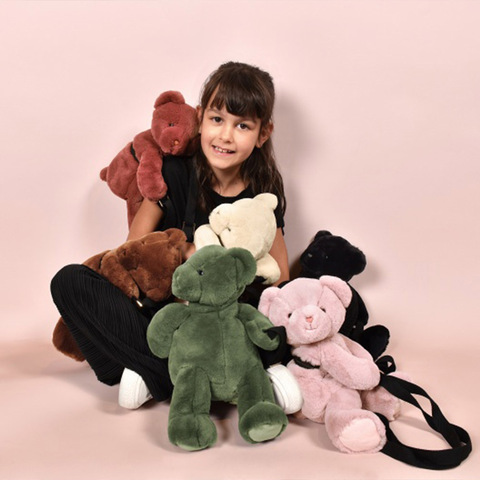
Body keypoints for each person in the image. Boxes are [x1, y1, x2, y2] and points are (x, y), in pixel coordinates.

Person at [51, 61, 289, 410]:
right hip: (164, 324)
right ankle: (170, 375)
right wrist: (185, 254)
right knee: (68, 281)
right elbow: (129, 255)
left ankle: (159, 376)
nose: (225, 136)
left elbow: (281, 281)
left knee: (278, 334)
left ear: (263, 133)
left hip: (226, 330)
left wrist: (229, 276)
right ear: (200, 117)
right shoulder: (174, 172)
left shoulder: (264, 189)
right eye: (217, 119)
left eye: (242, 125)